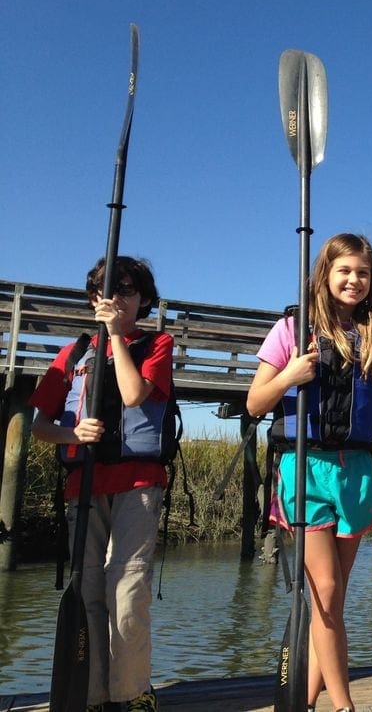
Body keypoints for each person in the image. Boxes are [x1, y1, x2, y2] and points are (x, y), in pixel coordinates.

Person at [246, 233, 372, 712]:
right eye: (345, 271)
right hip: (307, 468)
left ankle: (306, 699)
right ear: (325, 274)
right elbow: (256, 403)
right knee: (327, 591)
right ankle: (344, 706)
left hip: (356, 471)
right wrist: (289, 376)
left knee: (329, 602)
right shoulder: (292, 330)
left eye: (362, 273)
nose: (354, 280)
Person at [30, 256, 173, 712]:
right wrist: (72, 434)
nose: (115, 298)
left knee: (126, 590)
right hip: (84, 488)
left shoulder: (157, 343)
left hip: (137, 483)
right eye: (105, 290)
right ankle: (92, 695)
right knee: (89, 589)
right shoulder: (73, 353)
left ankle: (131, 693)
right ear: (94, 298)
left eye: (127, 290)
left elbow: (133, 395)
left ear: (143, 298)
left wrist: (113, 334)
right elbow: (39, 423)